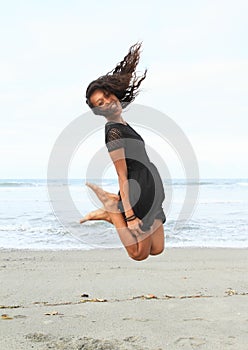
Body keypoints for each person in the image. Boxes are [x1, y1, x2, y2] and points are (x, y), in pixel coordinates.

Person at [80, 43, 166, 261]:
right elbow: (122, 175)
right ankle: (113, 210)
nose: (107, 102)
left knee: (157, 248)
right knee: (138, 254)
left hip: (151, 187)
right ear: (99, 112)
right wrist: (129, 214)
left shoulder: (125, 125)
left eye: (107, 95)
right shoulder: (114, 132)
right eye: (100, 103)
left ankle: (112, 213)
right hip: (138, 191)